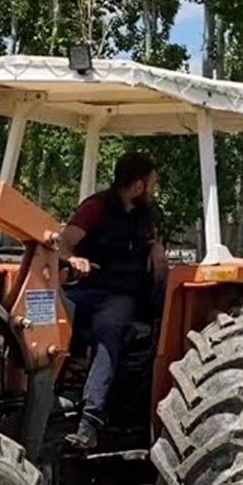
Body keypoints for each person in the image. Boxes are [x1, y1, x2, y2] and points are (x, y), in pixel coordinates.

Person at [58, 152, 168, 450]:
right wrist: (73, 259)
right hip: (87, 288)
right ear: (138, 185)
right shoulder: (95, 208)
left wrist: (159, 260)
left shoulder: (146, 217)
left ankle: (89, 423)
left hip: (121, 296)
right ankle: (46, 401)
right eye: (152, 183)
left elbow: (154, 251)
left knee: (108, 330)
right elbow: (63, 243)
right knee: (52, 314)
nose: (153, 189)